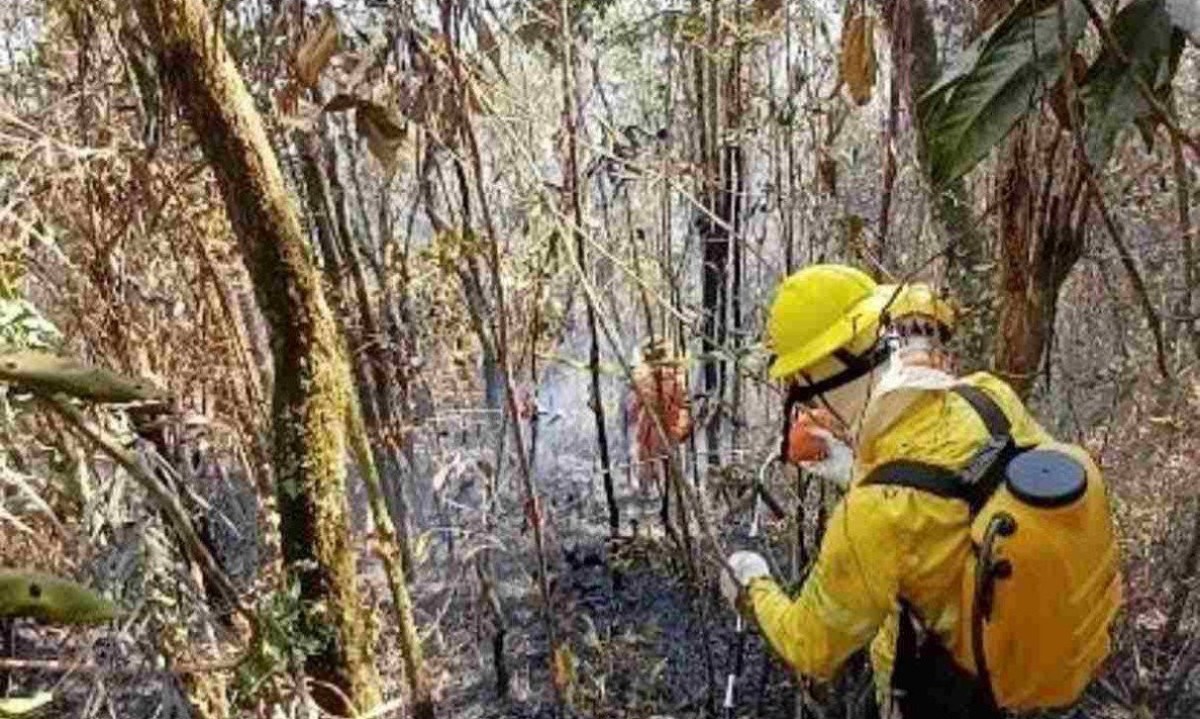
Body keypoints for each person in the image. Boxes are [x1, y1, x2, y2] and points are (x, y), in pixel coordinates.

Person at [720, 264, 1121, 718]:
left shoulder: (872, 515)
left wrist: (750, 584)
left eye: (799, 384)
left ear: (812, 378)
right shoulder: (987, 396)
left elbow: (811, 647)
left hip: (937, 693)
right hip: (1026, 653)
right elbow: (954, 494)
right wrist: (852, 467)